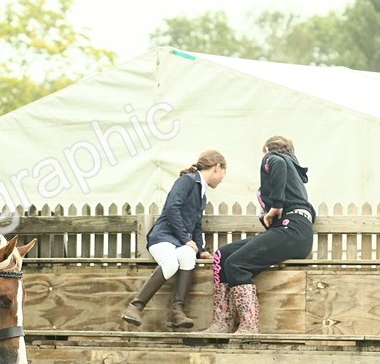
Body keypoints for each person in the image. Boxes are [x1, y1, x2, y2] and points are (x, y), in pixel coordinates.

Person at [203, 136, 315, 335]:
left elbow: (277, 164)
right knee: (223, 255)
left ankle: (249, 326)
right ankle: (222, 323)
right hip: (291, 229)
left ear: (266, 149)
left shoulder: (273, 158)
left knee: (236, 263)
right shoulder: (294, 173)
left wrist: (277, 206)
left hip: (292, 228)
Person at [122, 150, 226, 329]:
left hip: (179, 241)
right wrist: (186, 239)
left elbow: (196, 225)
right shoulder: (187, 181)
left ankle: (176, 311)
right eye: (224, 172)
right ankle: (135, 306)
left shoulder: (202, 193)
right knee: (170, 264)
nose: (223, 178)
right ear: (217, 167)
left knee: (188, 257)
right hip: (162, 237)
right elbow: (172, 209)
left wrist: (201, 250)